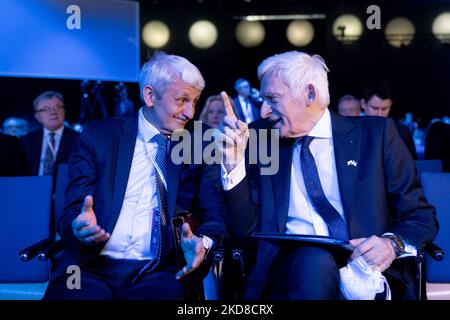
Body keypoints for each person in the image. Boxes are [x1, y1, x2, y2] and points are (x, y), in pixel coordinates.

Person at [217, 51, 438, 300]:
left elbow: (420, 216)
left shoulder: (376, 136)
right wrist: (233, 165)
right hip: (293, 272)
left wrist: (391, 244)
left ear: (310, 94)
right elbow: (244, 230)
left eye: (273, 99)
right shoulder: (257, 139)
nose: (265, 111)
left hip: (369, 272)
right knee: (314, 260)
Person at [43, 52, 226, 300]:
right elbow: (73, 209)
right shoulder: (99, 135)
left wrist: (203, 243)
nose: (190, 113)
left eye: (194, 101)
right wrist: (79, 226)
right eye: (182, 100)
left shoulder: (202, 142)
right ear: (150, 95)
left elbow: (214, 214)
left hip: (160, 270)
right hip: (90, 267)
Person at [19, 91, 79, 177]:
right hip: (31, 187)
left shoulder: (79, 139)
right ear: (37, 117)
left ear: (64, 111)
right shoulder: (25, 141)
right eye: (46, 109)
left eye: (57, 107)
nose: (53, 112)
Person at [361, 81, 417, 159]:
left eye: (384, 109)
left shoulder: (402, 132)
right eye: (374, 108)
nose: (379, 114)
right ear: (363, 104)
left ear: (390, 104)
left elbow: (413, 165)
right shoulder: (352, 132)